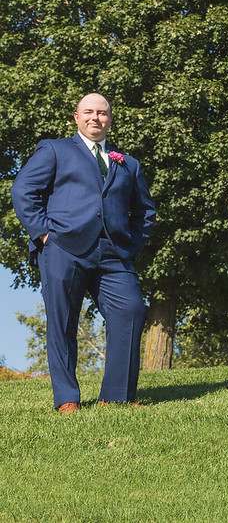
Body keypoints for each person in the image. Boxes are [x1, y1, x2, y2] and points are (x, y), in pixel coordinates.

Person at [11, 94, 156, 412]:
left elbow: (145, 211)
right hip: (63, 248)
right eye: (88, 112)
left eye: (102, 113)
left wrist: (131, 244)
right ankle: (67, 399)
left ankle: (116, 397)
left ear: (110, 119)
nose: (95, 117)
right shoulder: (55, 150)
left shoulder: (128, 163)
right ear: (76, 117)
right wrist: (44, 233)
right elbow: (23, 190)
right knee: (62, 322)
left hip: (114, 253)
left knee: (131, 310)